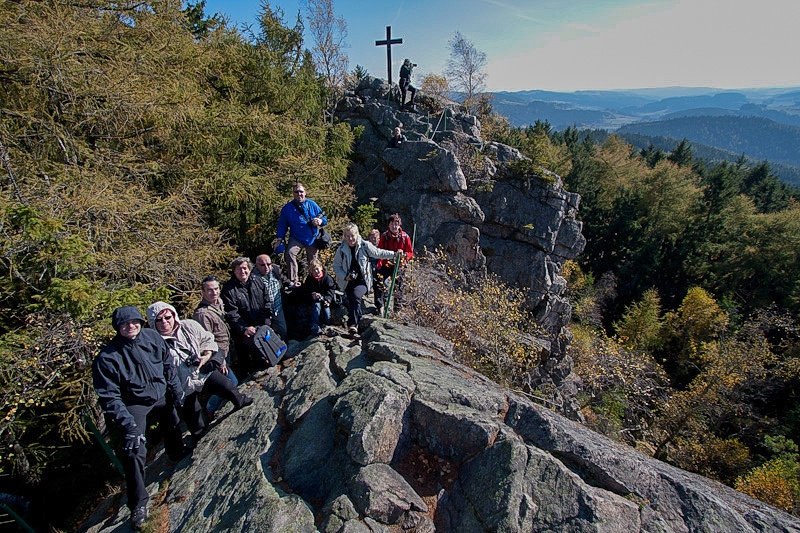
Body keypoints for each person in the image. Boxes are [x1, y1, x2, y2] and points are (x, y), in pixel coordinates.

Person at [92, 306, 187, 530]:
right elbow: (109, 396)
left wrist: (175, 389)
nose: (131, 327)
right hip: (134, 402)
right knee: (134, 448)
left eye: (134, 322)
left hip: (159, 392)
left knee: (172, 419)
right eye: (125, 324)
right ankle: (138, 503)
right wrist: (128, 425)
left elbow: (167, 363)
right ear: (117, 328)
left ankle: (176, 452)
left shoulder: (152, 336)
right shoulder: (108, 357)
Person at [146, 302, 253, 442]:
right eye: (159, 320)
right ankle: (199, 437)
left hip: (201, 371)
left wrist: (207, 355)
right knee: (193, 414)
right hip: (182, 383)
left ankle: (241, 402)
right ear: (153, 323)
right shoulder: (153, 343)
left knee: (228, 386)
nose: (164, 322)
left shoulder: (188, 326)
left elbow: (207, 339)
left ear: (173, 315)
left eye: (167, 317)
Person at [333, 223, 399, 335]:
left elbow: (378, 253)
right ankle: (359, 321)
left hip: (362, 280)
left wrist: (394, 254)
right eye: (347, 236)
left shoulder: (364, 245)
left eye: (352, 235)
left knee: (356, 296)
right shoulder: (341, 250)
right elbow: (336, 266)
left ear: (357, 234)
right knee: (353, 300)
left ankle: (353, 325)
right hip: (347, 282)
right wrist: (345, 276)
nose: (350, 238)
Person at [193, 276, 239, 416]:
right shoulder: (202, 314)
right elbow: (207, 340)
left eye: (216, 289)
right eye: (209, 290)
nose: (214, 292)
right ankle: (210, 407)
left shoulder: (219, 303)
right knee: (232, 382)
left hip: (227, 350)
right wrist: (220, 361)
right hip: (217, 356)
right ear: (203, 292)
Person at [221, 256, 274, 370]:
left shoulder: (257, 280)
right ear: (234, 271)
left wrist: (267, 317)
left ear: (250, 269)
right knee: (246, 361)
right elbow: (231, 313)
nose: (242, 271)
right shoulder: (228, 289)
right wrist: (244, 328)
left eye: (245, 268)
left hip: (261, 325)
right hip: (242, 332)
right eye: (238, 269)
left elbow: (267, 301)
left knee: (268, 353)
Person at [274, 182, 327, 286]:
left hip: (311, 238)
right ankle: (294, 282)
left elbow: (324, 218)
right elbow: (282, 225)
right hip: (296, 238)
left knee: (314, 262)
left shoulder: (312, 204)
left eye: (301, 191)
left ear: (305, 192)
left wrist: (319, 221)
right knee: (290, 253)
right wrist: (279, 239)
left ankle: (315, 282)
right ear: (293, 194)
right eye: (296, 192)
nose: (299, 194)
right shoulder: (287, 208)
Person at [375, 213, 414, 314]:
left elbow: (410, 253)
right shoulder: (384, 236)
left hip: (398, 265)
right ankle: (380, 306)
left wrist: (404, 255)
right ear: (388, 225)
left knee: (398, 286)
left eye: (396, 224)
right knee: (379, 282)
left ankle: (397, 309)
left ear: (399, 225)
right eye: (392, 224)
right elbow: (379, 251)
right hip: (385, 264)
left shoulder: (405, 237)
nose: (394, 226)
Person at [253, 254, 290, 340]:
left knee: (283, 332)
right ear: (256, 265)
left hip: (278, 308)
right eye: (262, 265)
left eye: (268, 264)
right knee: (267, 337)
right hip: (263, 313)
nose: (266, 267)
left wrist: (292, 284)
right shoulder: (253, 278)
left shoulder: (275, 270)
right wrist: (266, 315)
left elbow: (283, 279)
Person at [299, 258, 336, 335]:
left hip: (326, 299)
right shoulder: (310, 279)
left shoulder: (327, 278)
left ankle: (327, 326)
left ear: (321, 268)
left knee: (326, 311)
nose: (316, 272)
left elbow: (331, 288)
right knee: (316, 307)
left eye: (317, 269)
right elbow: (305, 291)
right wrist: (312, 295)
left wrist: (328, 299)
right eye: (313, 270)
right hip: (315, 300)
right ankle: (315, 326)